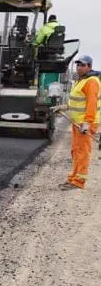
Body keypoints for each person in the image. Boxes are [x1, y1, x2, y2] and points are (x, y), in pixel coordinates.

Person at [61, 55, 100, 190]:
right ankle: (73, 177)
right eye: (78, 65)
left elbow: (92, 103)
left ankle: (79, 181)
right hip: (77, 122)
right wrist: (64, 107)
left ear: (89, 66)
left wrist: (87, 123)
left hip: (86, 123)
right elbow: (77, 101)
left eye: (82, 65)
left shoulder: (92, 81)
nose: (79, 67)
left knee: (82, 151)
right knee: (75, 150)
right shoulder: (80, 80)